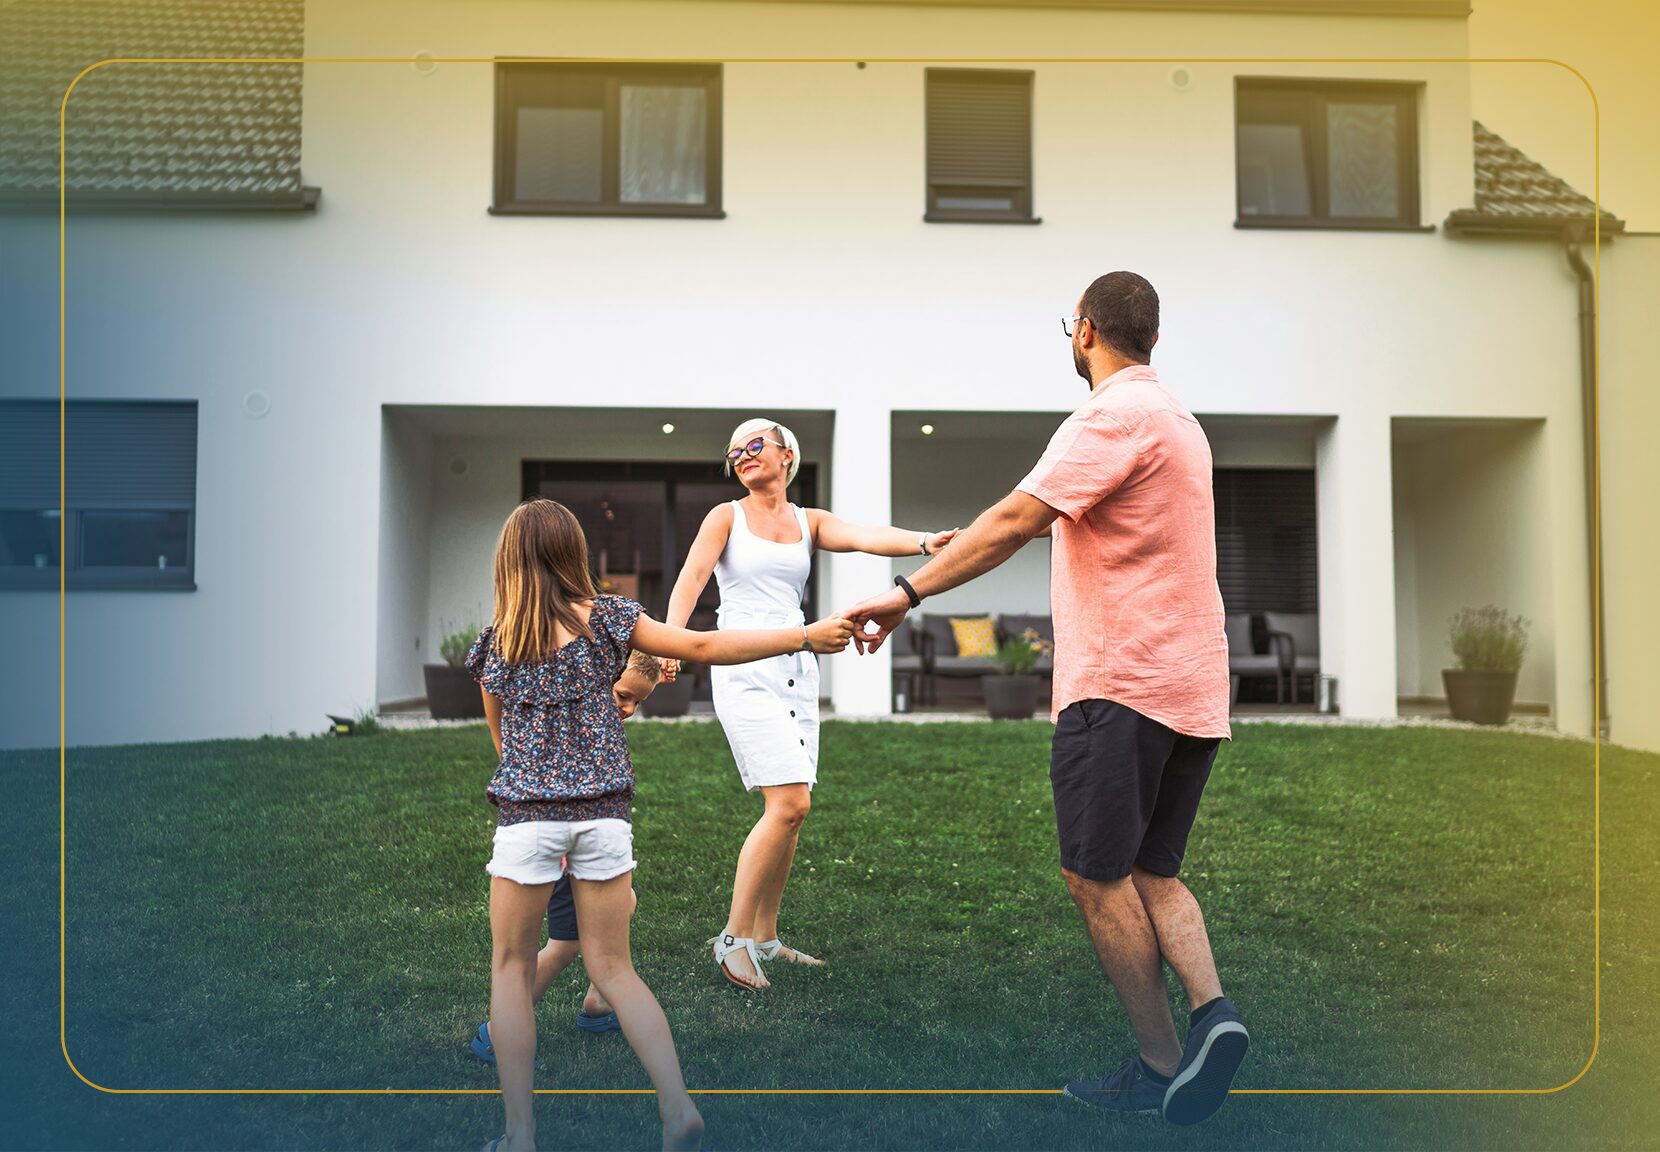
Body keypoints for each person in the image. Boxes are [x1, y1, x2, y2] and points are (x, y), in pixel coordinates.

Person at [842, 272, 1249, 1126]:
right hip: (1192, 687)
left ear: (1086, 331)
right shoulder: (1181, 422)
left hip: (1121, 684)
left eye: (1072, 328)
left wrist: (906, 591)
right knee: (1155, 870)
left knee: (1095, 876)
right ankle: (1214, 1014)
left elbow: (1015, 520)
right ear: (1155, 338)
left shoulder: (1111, 416)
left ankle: (1159, 1067)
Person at [469, 498, 854, 1152]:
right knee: (615, 970)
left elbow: (502, 743)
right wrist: (801, 635)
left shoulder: (496, 643)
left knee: (509, 967)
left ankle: (520, 1137)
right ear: (574, 554)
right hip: (604, 818)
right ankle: (677, 1109)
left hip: (527, 818)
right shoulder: (612, 618)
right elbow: (703, 645)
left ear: (507, 562)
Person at [661, 418, 958, 990]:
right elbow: (691, 579)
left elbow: (866, 536)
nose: (742, 456)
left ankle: (766, 939)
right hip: (743, 664)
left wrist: (925, 542)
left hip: (797, 668)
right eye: (733, 452)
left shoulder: (808, 521)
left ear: (787, 455)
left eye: (754, 445)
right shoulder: (725, 516)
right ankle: (732, 940)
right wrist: (673, 641)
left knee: (795, 811)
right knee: (789, 803)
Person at [469, 648, 663, 1066]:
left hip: (580, 844)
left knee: (624, 904)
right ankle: (498, 1032)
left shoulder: (592, 719)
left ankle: (598, 1001)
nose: (629, 709)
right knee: (564, 945)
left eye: (637, 702)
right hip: (561, 850)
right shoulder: (570, 714)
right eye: (624, 695)